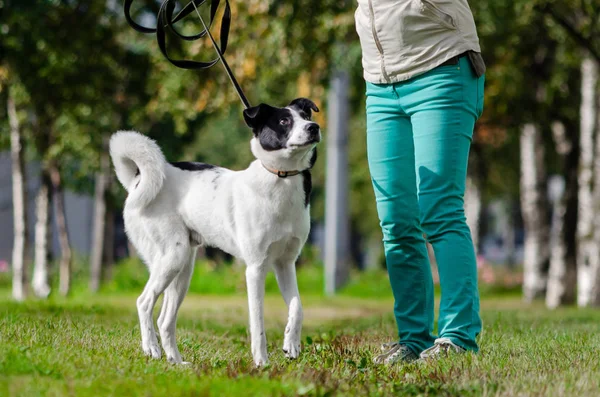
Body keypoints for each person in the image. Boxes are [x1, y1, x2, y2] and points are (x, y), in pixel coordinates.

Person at [354, 0, 486, 363]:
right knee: (395, 220)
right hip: (381, 83)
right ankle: (413, 339)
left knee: (439, 210)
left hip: (442, 64)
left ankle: (458, 336)